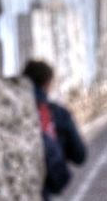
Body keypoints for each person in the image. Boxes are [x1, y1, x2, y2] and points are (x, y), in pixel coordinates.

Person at [23, 60, 86, 198]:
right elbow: (80, 155)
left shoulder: (14, 110)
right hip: (47, 188)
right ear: (47, 83)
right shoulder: (58, 113)